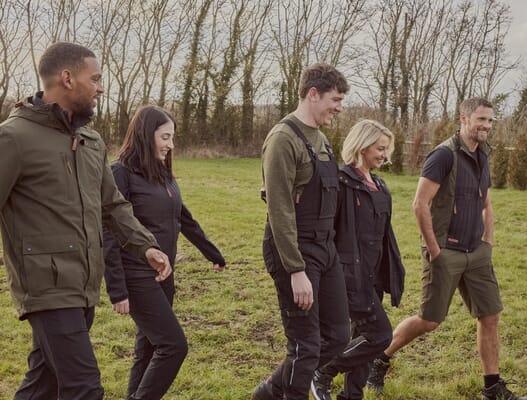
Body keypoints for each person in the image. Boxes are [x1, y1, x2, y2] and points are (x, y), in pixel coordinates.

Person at [0, 42, 171, 400]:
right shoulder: (14, 138)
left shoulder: (90, 141)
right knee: (84, 388)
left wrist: (145, 246)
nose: (100, 87)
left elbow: (113, 205)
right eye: (94, 79)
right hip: (46, 288)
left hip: (85, 284)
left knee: (44, 385)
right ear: (67, 78)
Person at [366, 98, 527, 400]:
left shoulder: (483, 155)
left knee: (490, 316)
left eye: (490, 120)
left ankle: (492, 388)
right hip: (446, 252)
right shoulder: (443, 155)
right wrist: (435, 250)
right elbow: (420, 204)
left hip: (477, 253)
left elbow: (486, 203)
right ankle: (378, 359)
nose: (486, 125)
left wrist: (488, 242)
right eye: (481, 119)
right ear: (464, 118)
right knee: (429, 321)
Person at [103, 105, 227, 400]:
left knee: (148, 347)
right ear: (146, 135)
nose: (171, 145)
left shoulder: (162, 172)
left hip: (164, 273)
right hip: (136, 274)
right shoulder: (120, 173)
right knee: (173, 346)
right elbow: (107, 231)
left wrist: (211, 252)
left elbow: (182, 217)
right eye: (165, 137)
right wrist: (117, 289)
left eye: (172, 137)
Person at [252, 63, 351, 400]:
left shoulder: (321, 139)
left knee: (337, 337)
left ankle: (270, 392)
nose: (339, 108)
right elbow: (279, 209)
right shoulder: (283, 139)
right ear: (313, 94)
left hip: (325, 248)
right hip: (294, 250)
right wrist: (296, 270)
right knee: (305, 345)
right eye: (335, 100)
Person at [310, 120, 406, 400]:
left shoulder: (380, 185)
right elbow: (327, 231)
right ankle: (324, 370)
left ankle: (352, 396)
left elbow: (385, 236)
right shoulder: (341, 183)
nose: (385, 155)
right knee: (380, 336)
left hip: (373, 275)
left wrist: (392, 272)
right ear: (362, 147)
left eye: (386, 149)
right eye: (380, 148)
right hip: (348, 275)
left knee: (362, 338)